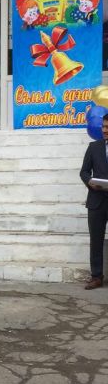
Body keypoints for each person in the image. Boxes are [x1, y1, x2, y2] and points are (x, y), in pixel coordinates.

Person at [80, 113, 108, 289]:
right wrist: (90, 181)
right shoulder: (93, 147)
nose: (104, 130)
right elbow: (84, 171)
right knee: (96, 240)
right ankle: (96, 277)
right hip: (96, 201)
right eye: (103, 126)